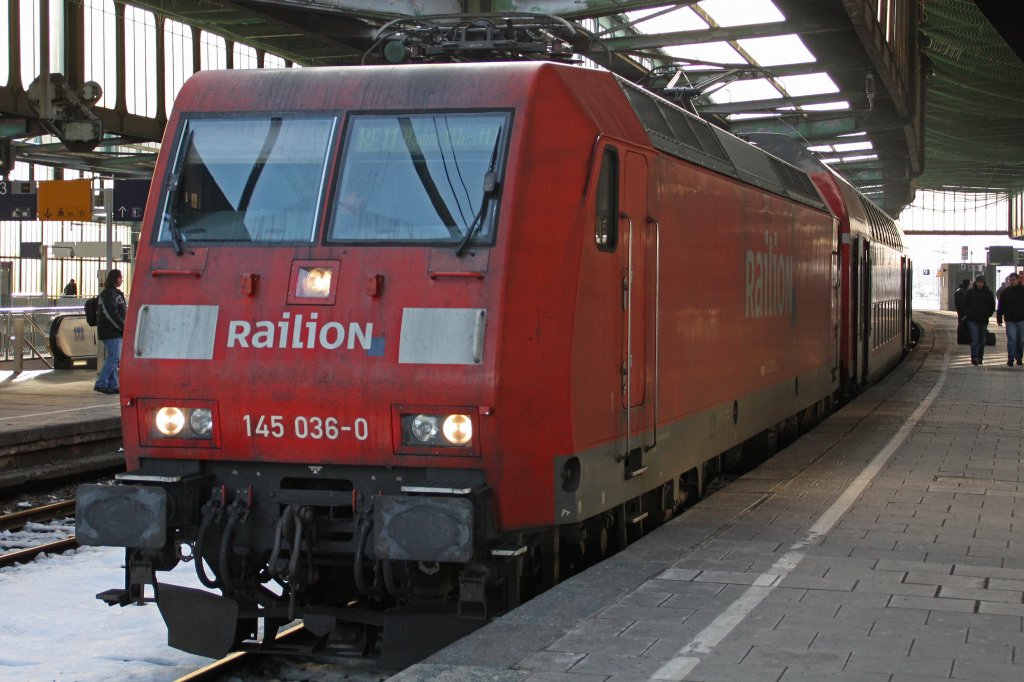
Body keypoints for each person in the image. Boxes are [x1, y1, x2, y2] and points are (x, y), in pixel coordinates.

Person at [94, 269, 126, 395]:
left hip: (113, 330)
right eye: (120, 277)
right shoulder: (108, 294)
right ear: (115, 278)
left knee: (113, 357)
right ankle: (101, 383)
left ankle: (113, 385)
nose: (121, 280)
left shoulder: (114, 293)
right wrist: (122, 326)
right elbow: (111, 313)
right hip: (111, 331)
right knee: (114, 357)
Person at [961, 274, 995, 366]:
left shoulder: (988, 293)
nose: (980, 284)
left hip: (983, 320)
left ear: (984, 283)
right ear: (976, 282)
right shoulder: (970, 292)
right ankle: (974, 358)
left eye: (981, 282)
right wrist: (968, 314)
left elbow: (992, 306)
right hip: (972, 320)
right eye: (978, 282)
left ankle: (980, 358)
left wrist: (988, 314)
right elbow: (964, 304)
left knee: (982, 340)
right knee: (974, 339)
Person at [996, 271, 1024, 366]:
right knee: (1012, 339)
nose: (1011, 282)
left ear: (1018, 280)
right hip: (1010, 319)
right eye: (1010, 280)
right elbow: (1000, 306)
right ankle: (1011, 358)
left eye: (1013, 280)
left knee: (1021, 340)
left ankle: (1019, 357)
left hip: (1021, 319)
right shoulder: (1005, 292)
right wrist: (999, 318)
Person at [954, 278, 970, 344]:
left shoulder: (957, 291)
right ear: (967, 284)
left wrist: (958, 309)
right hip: (965, 311)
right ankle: (965, 339)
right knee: (965, 325)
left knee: (960, 324)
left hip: (959, 310)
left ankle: (960, 338)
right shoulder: (966, 292)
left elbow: (956, 302)